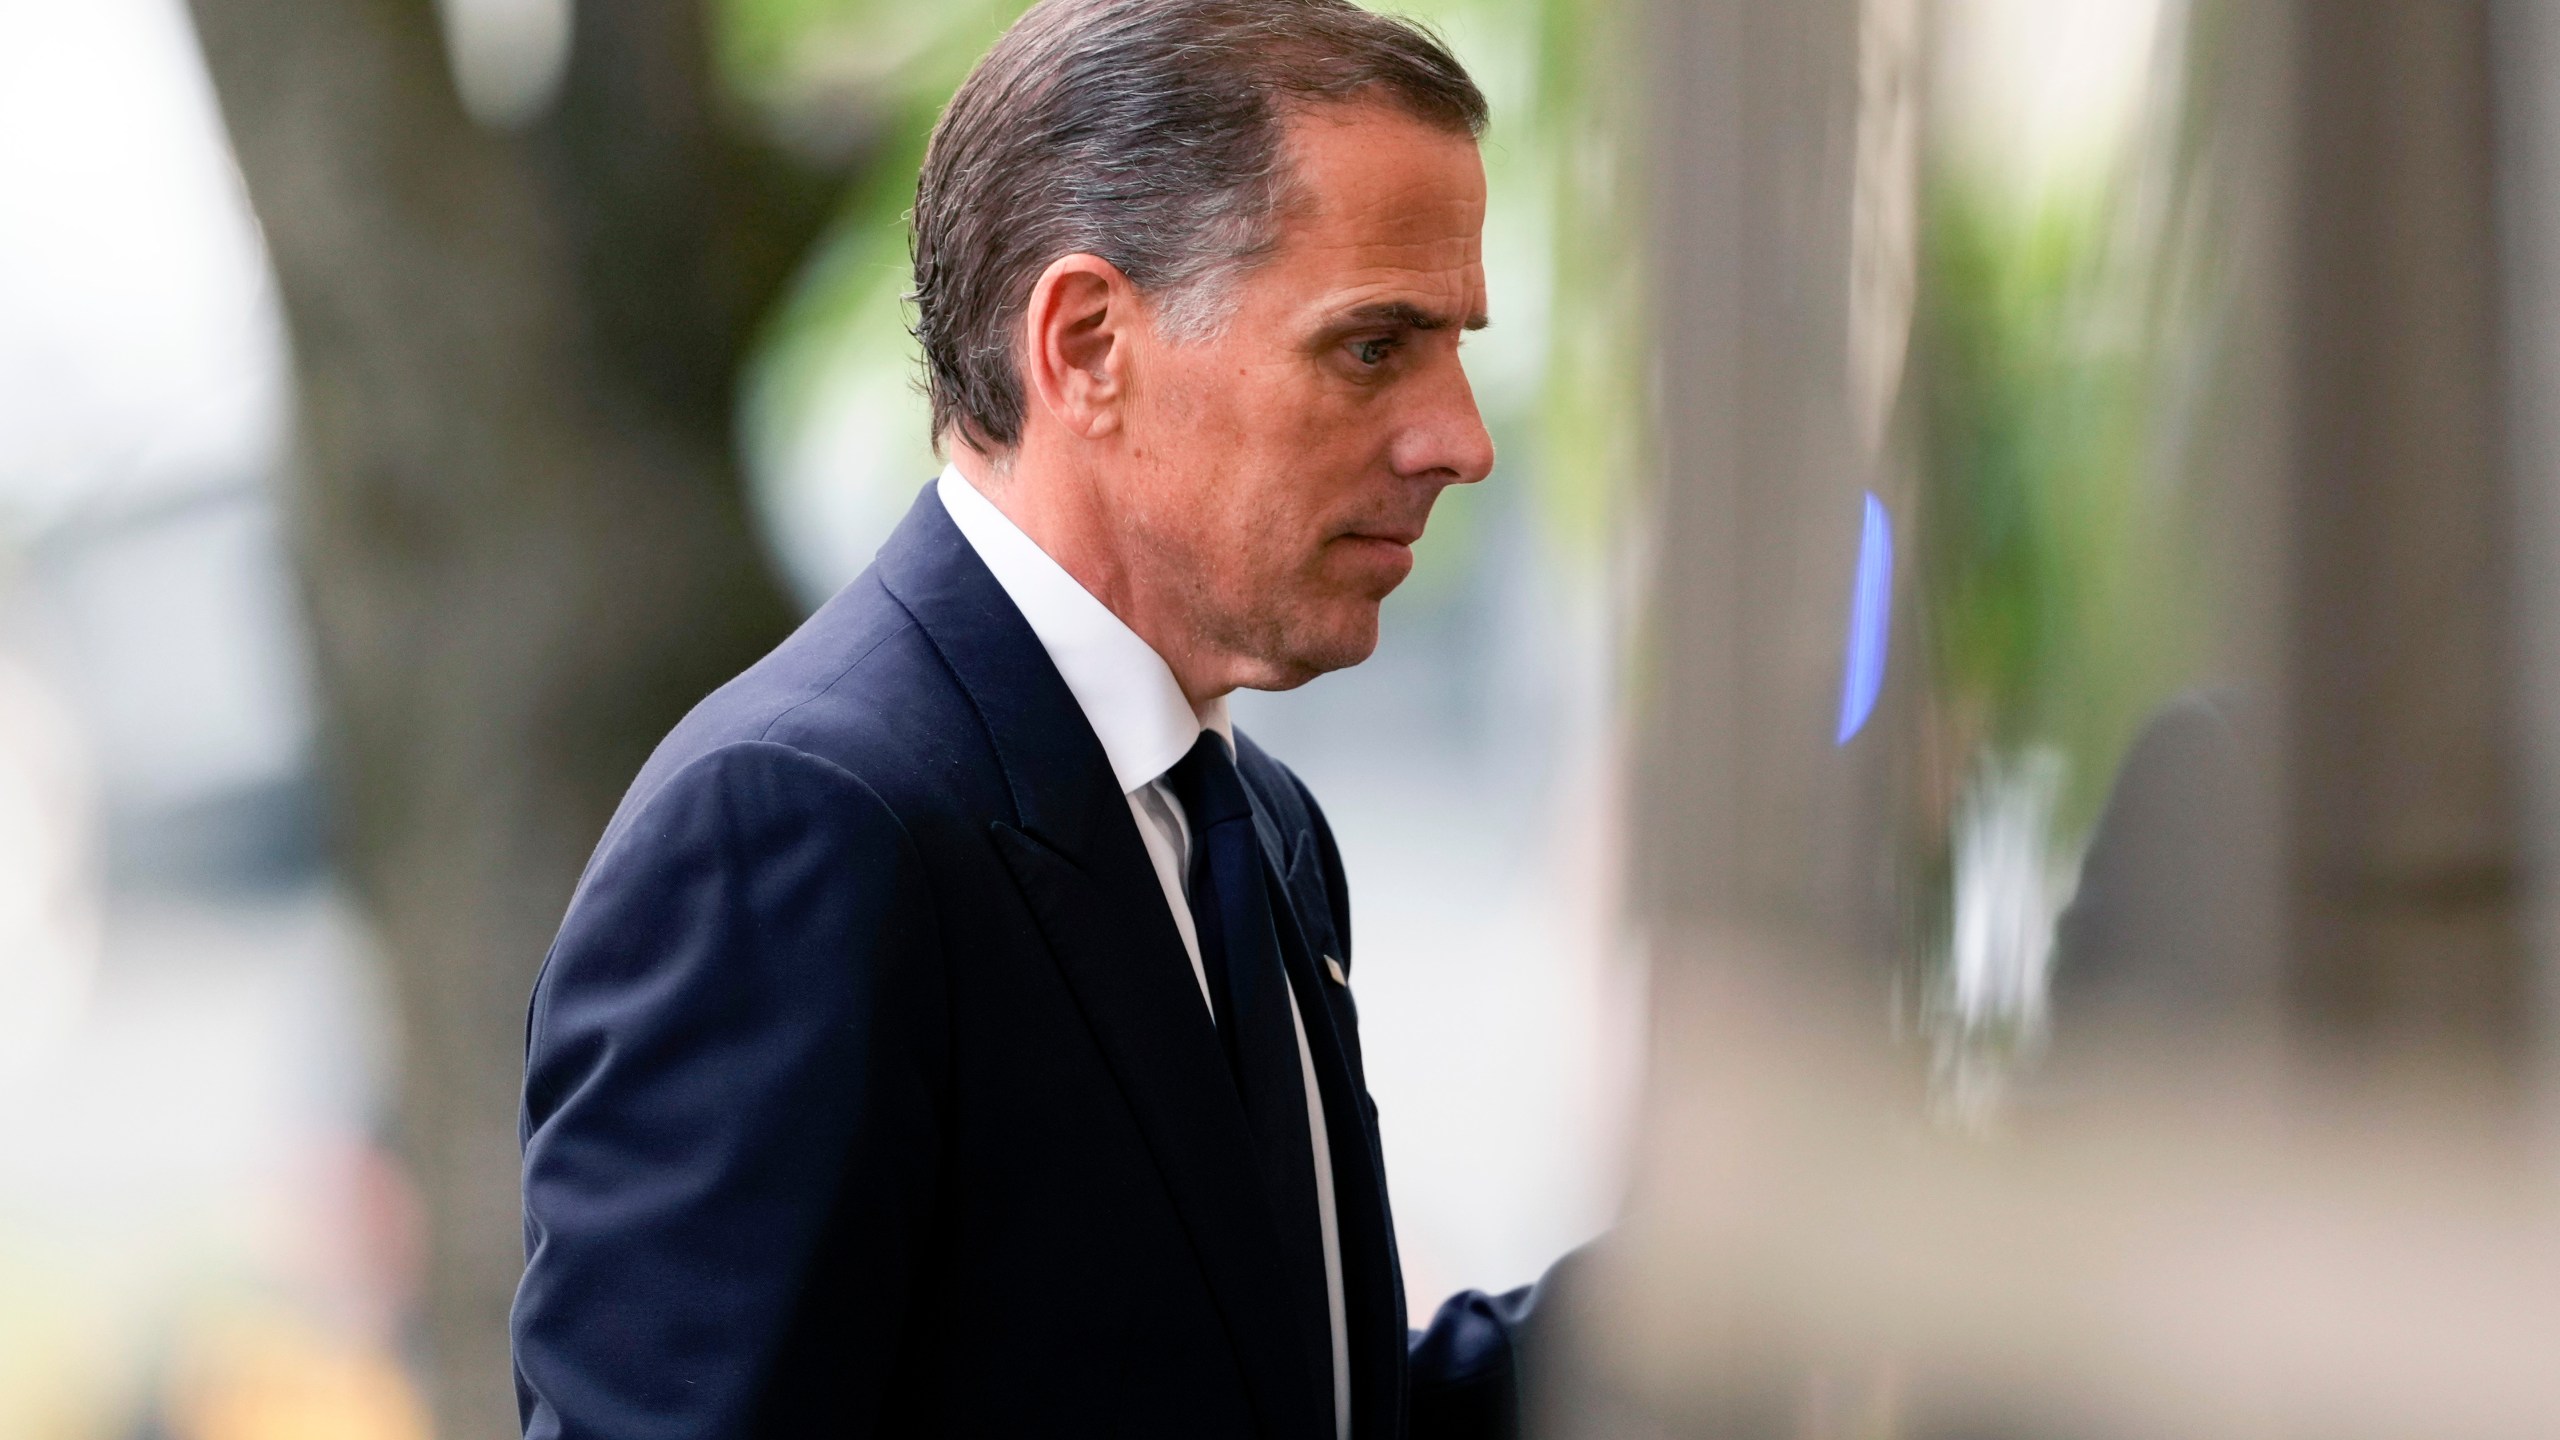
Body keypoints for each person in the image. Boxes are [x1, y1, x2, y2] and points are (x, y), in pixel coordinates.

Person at [511, 1, 1552, 1435]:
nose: (1462, 437)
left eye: (1456, 345)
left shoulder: (1259, 835)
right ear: (1086, 346)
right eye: (1376, 346)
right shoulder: (799, 829)